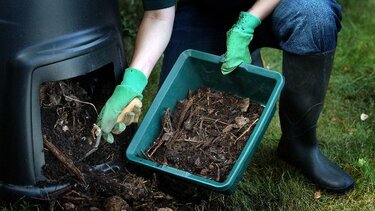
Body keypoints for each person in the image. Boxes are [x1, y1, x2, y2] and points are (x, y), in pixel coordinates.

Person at [97, 0, 354, 193]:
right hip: (202, 11)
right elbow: (157, 16)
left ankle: (300, 146)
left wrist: (248, 23)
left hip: (270, 5)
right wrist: (132, 82)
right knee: (175, 174)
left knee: (315, 16)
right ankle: (246, 61)